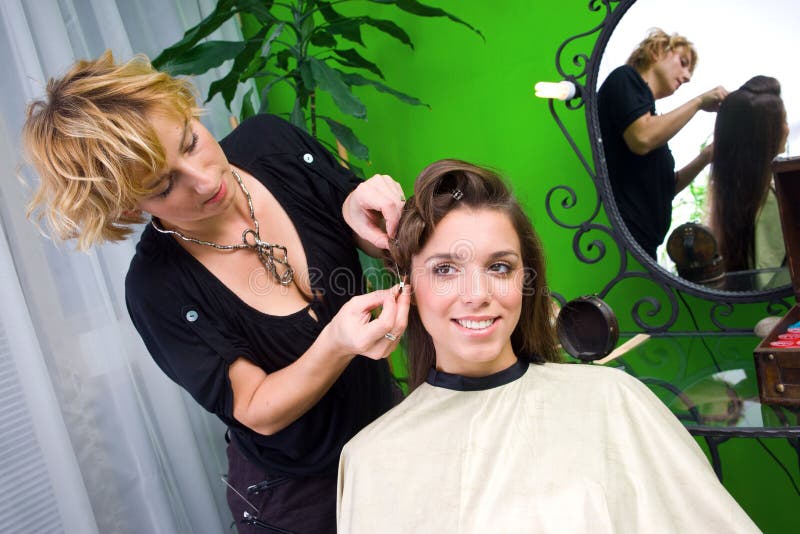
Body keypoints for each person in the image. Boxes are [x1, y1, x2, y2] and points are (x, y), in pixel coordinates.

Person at [23, 51, 411, 534]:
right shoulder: (156, 289)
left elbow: (352, 221)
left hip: (388, 430)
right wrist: (336, 344)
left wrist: (362, 209)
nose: (206, 180)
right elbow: (256, 408)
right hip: (300, 497)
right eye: (164, 187)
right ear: (126, 204)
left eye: (191, 141)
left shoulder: (272, 143)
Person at [337, 159, 759, 533]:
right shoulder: (370, 460)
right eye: (445, 269)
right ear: (407, 286)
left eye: (499, 266)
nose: (477, 294)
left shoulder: (611, 401)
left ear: (525, 280)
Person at [598, 28, 728, 258]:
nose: (687, 77)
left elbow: (667, 187)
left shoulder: (651, 117)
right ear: (658, 50)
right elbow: (642, 138)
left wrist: (706, 156)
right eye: (683, 62)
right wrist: (698, 102)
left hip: (644, 245)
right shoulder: (625, 79)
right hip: (624, 241)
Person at [708, 75, 789, 273]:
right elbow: (767, 279)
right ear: (763, 137)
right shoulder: (773, 200)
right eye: (783, 122)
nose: (787, 129)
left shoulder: (731, 197)